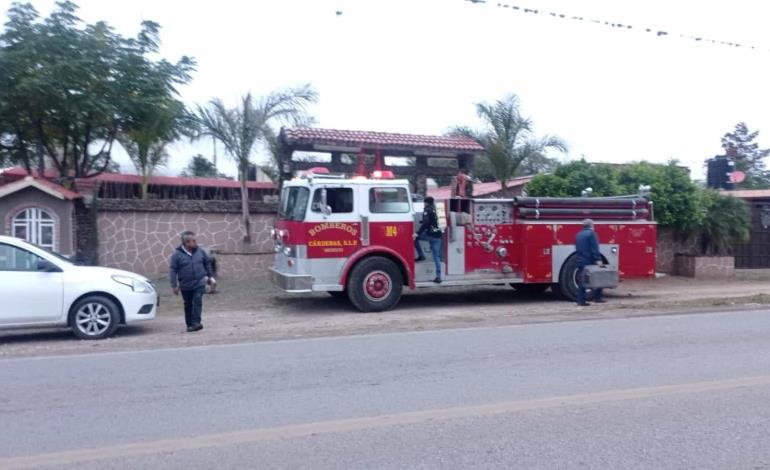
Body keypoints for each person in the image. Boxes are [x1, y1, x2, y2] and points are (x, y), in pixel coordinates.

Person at [169, 231, 215, 332]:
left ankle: (196, 323)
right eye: (193, 241)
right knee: (188, 304)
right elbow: (173, 270)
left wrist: (210, 277)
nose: (196, 242)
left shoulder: (200, 251)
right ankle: (190, 325)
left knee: (197, 300)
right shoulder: (177, 255)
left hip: (199, 282)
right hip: (185, 284)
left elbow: (207, 263)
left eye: (195, 240)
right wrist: (174, 285)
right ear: (186, 243)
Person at [575, 219, 605, 306]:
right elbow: (594, 248)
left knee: (582, 280)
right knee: (599, 276)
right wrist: (598, 259)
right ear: (592, 226)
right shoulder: (592, 234)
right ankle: (597, 297)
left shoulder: (578, 234)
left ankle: (580, 300)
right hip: (590, 261)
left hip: (580, 260)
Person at [415, 196, 443, 283]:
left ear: (426, 202)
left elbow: (426, 223)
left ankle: (421, 256)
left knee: (415, 238)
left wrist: (418, 233)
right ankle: (438, 277)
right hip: (438, 236)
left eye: (424, 202)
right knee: (436, 257)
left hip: (430, 235)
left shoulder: (427, 210)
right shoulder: (438, 210)